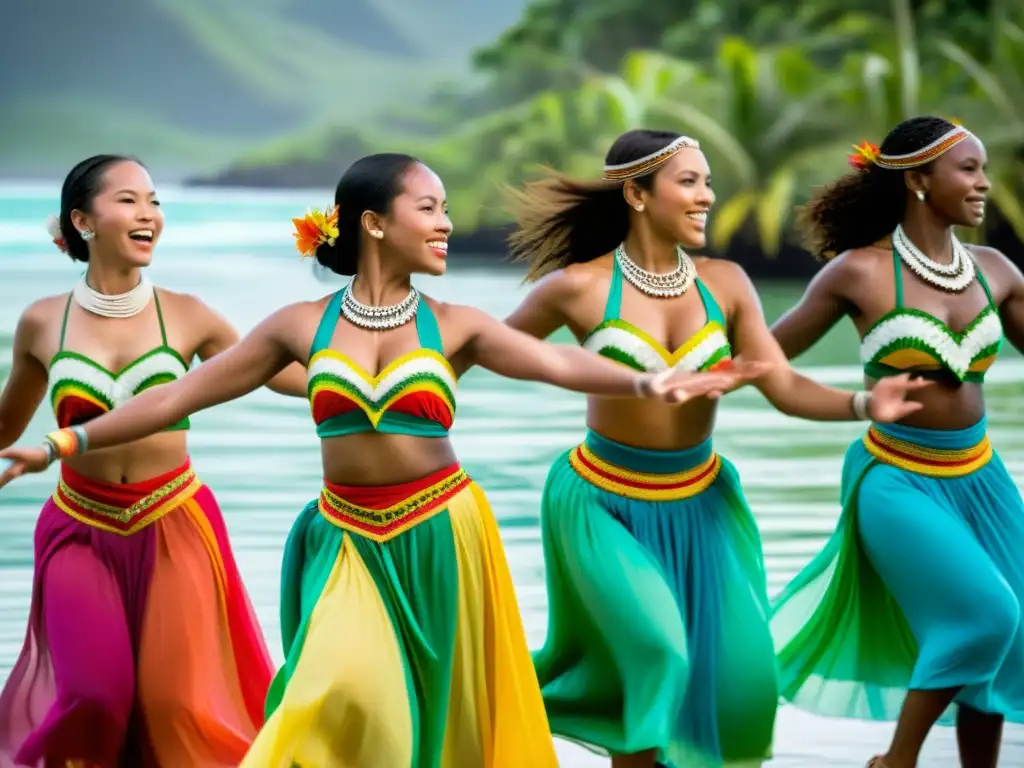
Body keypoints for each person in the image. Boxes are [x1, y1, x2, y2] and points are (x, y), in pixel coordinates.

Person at [0, 153, 761, 768]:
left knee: (445, 727)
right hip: (348, 541)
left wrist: (644, 379)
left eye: (445, 209)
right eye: (428, 208)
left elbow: (555, 365)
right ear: (374, 223)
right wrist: (62, 443)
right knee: (347, 699)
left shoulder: (456, 325)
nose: (446, 224)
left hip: (444, 533)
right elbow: (177, 397)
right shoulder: (298, 326)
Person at [500, 128, 930, 768]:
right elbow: (495, 350)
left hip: (702, 504)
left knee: (741, 687)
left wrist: (865, 404)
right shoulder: (578, 287)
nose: (707, 196)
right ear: (638, 195)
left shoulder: (726, 284)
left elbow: (781, 383)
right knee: (655, 653)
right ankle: (497, 707)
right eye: (690, 182)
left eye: (707, 181)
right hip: (601, 505)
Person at [0, 155, 309, 767]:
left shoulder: (189, 314)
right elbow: (6, 425)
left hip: (175, 523)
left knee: (178, 708)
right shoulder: (41, 322)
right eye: (129, 200)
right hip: (78, 528)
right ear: (82, 221)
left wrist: (365, 369)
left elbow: (286, 376)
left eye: (155, 201)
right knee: (95, 697)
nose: (148, 214)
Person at [768, 116, 1024, 768]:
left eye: (983, 169)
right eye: (968, 169)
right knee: (985, 616)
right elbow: (763, 356)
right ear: (917, 179)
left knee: (1008, 641)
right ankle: (896, 762)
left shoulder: (996, 270)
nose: (983, 184)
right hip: (896, 479)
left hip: (981, 478)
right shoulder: (857, 273)